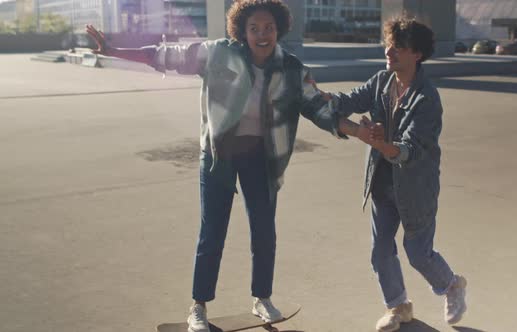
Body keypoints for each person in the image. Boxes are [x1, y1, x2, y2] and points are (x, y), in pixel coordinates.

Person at [86, 1, 340, 332]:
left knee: (264, 231)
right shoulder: (219, 54)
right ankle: (198, 306)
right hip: (219, 155)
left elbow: (319, 106)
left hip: (261, 158)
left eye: (269, 28)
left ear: (279, 29)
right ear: (242, 31)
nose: (262, 35)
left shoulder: (291, 69)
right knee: (212, 233)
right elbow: (164, 55)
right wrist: (115, 49)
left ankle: (261, 298)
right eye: (254, 28)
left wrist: (361, 130)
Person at [326, 17, 468, 332]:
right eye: (389, 44)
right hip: (382, 182)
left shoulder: (427, 98)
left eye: (398, 48)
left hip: (416, 185)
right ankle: (398, 306)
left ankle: (452, 285)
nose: (389, 52)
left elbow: (411, 150)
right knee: (380, 251)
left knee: (418, 253)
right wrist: (320, 97)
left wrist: (379, 142)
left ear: (417, 54)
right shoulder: (381, 81)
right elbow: (348, 101)